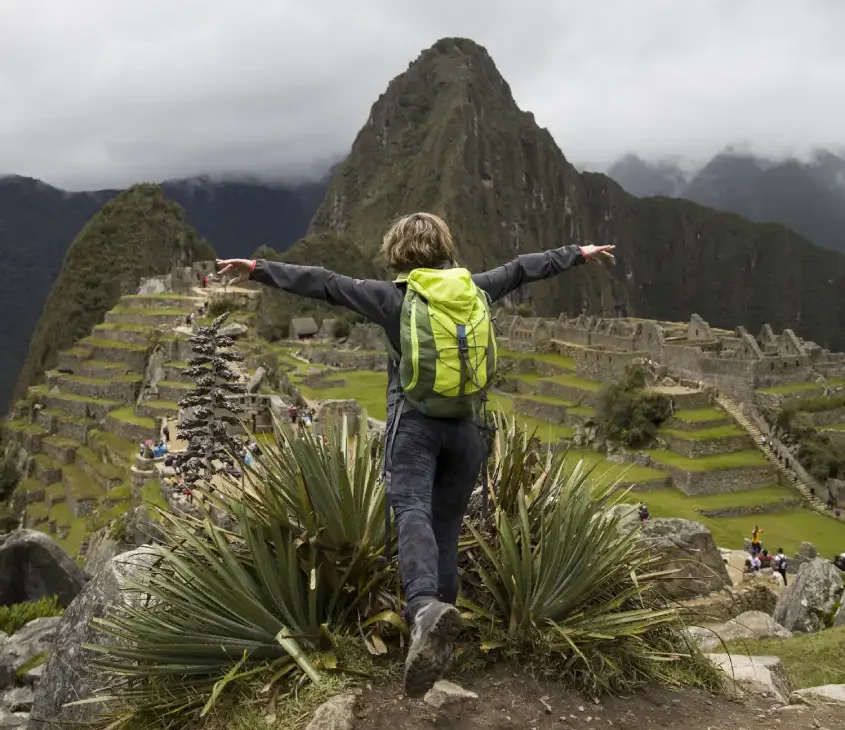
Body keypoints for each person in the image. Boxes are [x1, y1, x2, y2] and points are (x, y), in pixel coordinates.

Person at [217, 213, 615, 696]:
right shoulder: (477, 289)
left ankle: (424, 607)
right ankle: (441, 644)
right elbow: (522, 268)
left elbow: (325, 284)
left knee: (411, 510)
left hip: (416, 427)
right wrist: (577, 254)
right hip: (467, 430)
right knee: (445, 530)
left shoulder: (395, 299)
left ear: (397, 254)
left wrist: (258, 268)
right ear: (446, 248)